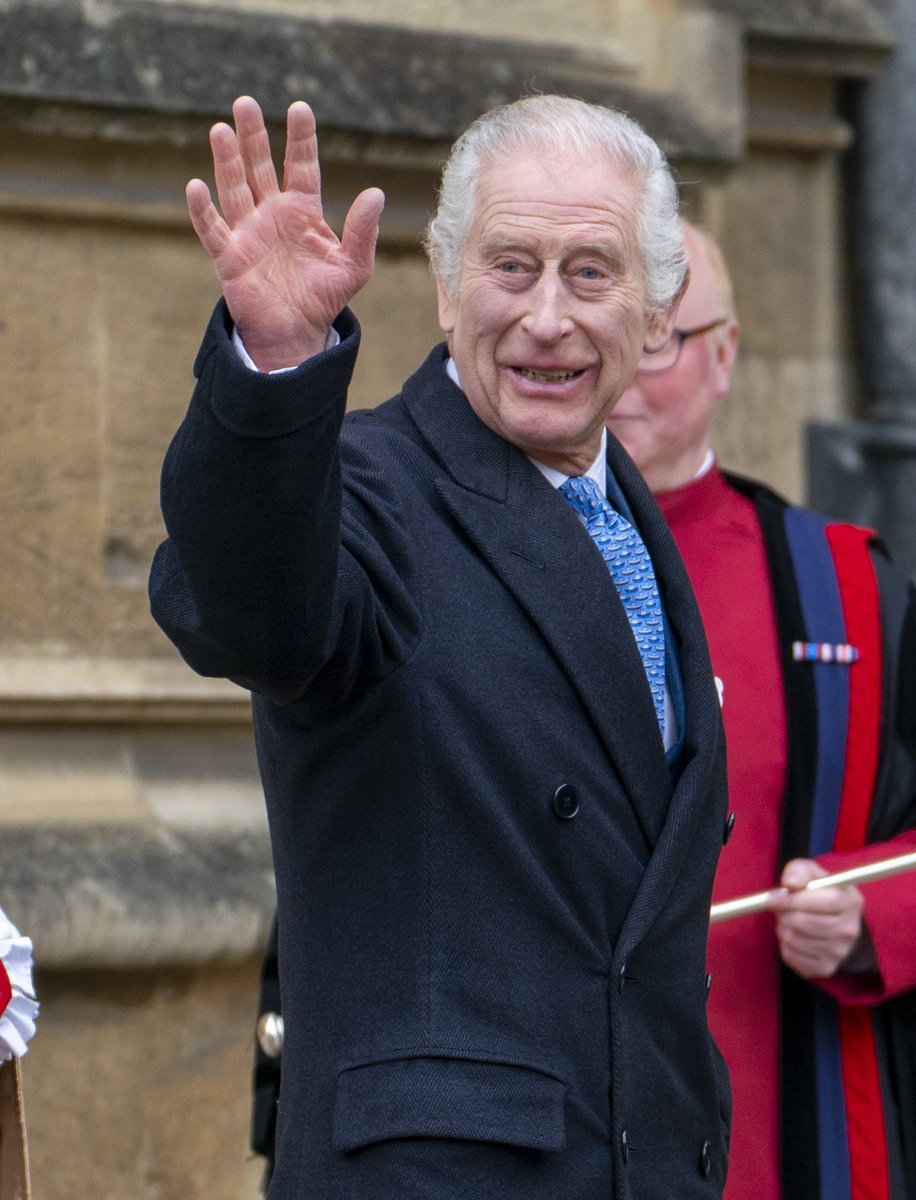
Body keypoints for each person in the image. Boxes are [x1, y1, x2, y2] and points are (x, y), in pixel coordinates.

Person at [149, 93, 733, 1199]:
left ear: (659, 318)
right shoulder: (367, 486)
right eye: (511, 266)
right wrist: (275, 371)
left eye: (590, 274)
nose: (547, 317)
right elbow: (244, 604)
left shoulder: (630, 527)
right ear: (445, 283)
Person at [608, 220, 916, 1200]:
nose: (616, 374)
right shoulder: (455, 573)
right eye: (597, 332)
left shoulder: (846, 589)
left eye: (655, 340)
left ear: (725, 352)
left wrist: (877, 917)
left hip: (781, 1137)